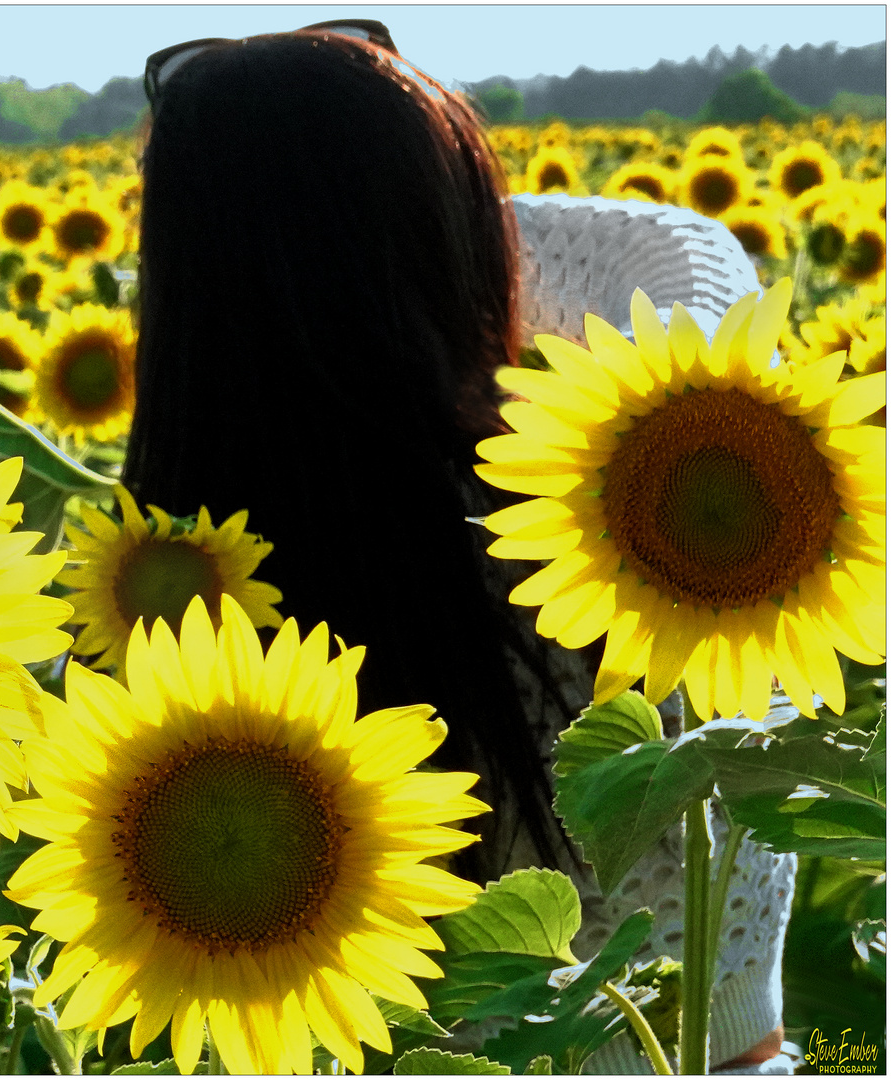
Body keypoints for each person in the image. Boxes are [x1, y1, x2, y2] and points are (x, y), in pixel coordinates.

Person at [120, 22, 794, 1073]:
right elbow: (683, 262)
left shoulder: (140, 646)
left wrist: (277, 263)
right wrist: (426, 273)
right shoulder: (636, 569)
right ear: (466, 256)